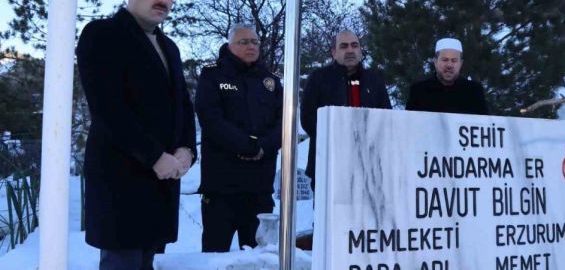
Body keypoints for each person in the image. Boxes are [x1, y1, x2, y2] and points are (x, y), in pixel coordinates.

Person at [77, 0, 197, 270]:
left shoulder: (169, 47)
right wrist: (155, 156)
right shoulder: (102, 34)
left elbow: (183, 103)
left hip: (160, 187)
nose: (164, 0)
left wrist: (187, 150)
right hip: (122, 183)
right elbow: (108, 108)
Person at [195, 24, 283, 251]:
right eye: (244, 42)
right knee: (215, 256)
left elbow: (283, 124)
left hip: (259, 187)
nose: (251, 46)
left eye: (254, 42)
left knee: (260, 257)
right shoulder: (212, 75)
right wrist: (248, 146)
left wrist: (263, 146)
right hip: (222, 187)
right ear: (230, 45)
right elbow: (211, 119)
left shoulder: (271, 81)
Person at [301, 30, 391, 191]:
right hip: (328, 162)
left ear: (360, 50)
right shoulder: (319, 78)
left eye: (354, 45)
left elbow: (386, 118)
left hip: (368, 164)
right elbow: (308, 119)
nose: (350, 50)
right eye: (344, 46)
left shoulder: (374, 80)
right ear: (334, 52)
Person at [406, 37, 489, 115]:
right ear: (435, 62)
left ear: (461, 63)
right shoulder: (419, 90)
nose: (449, 65)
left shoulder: (474, 91)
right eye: (445, 60)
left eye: (454, 61)